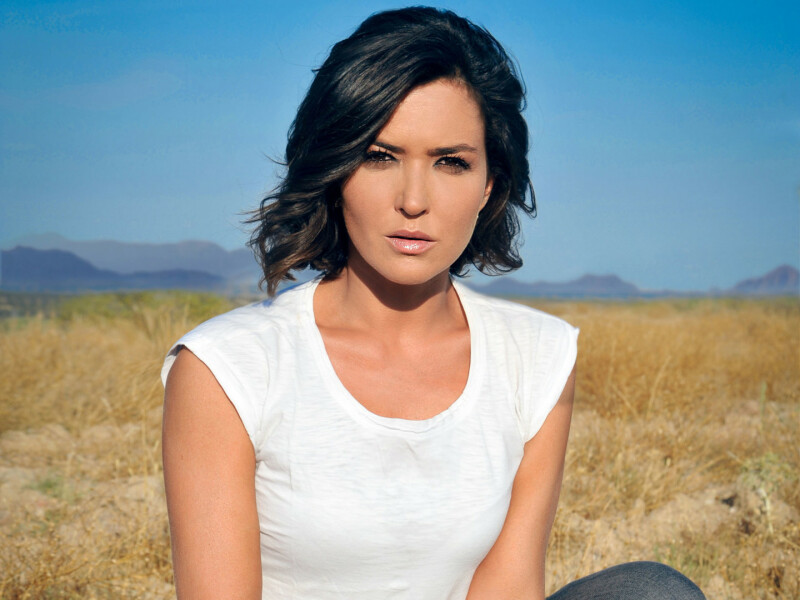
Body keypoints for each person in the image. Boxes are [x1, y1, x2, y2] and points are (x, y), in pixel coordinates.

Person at [161, 7, 706, 600]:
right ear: (334, 170)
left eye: (451, 162)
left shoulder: (536, 356)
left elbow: (509, 584)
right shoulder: (228, 368)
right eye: (379, 156)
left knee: (652, 592)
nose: (414, 200)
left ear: (489, 184)